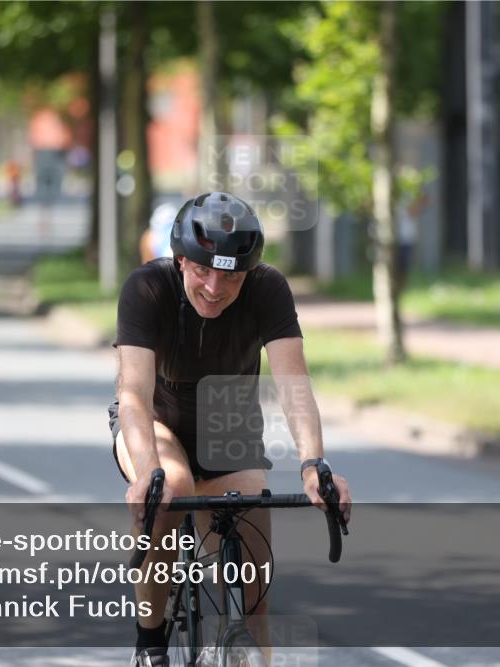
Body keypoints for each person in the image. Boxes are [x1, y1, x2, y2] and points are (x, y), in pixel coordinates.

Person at [109, 191, 352, 666]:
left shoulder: (268, 289)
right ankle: (151, 643)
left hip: (228, 427)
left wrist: (313, 464)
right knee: (171, 487)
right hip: (155, 424)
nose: (216, 288)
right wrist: (145, 473)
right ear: (181, 260)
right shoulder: (146, 288)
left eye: (231, 276)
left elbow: (294, 384)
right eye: (203, 270)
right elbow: (133, 395)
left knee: (254, 591)